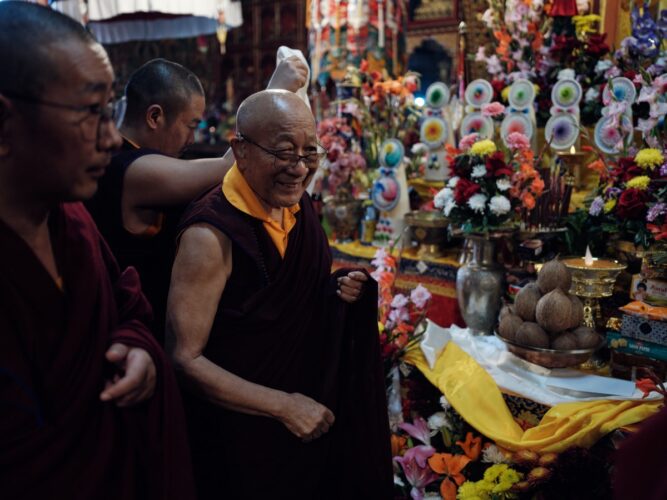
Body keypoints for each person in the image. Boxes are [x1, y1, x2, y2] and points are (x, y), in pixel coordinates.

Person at [0, 3, 194, 499]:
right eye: (90, 113)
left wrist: (140, 351)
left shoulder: (72, 221)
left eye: (109, 111)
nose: (111, 139)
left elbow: (126, 306)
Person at [167, 90, 393, 499]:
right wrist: (283, 406)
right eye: (284, 152)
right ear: (240, 150)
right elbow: (185, 359)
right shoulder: (210, 235)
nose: (299, 168)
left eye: (310, 153)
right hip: (239, 433)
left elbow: (290, 295)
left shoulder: (296, 204)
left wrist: (336, 291)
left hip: (302, 418)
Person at [85, 57, 308, 342]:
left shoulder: (133, 160)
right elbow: (232, 166)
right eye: (190, 125)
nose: (192, 138)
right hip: (132, 335)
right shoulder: (127, 168)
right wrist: (275, 92)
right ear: (155, 117)